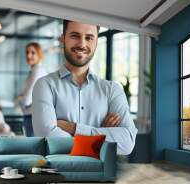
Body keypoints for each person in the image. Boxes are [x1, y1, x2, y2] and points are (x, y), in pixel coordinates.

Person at [32, 20, 137, 155]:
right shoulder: (44, 85)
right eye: (75, 36)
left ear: (96, 41)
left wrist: (73, 128)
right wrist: (99, 136)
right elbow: (48, 139)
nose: (82, 44)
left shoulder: (112, 90)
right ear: (63, 38)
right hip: (58, 175)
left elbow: (127, 142)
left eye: (89, 37)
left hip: (102, 176)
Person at [15, 42, 47, 137]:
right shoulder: (34, 71)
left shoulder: (37, 71)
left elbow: (26, 100)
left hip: (33, 117)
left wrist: (19, 99)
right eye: (27, 52)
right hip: (32, 116)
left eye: (33, 53)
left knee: (33, 149)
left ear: (39, 54)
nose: (29, 55)